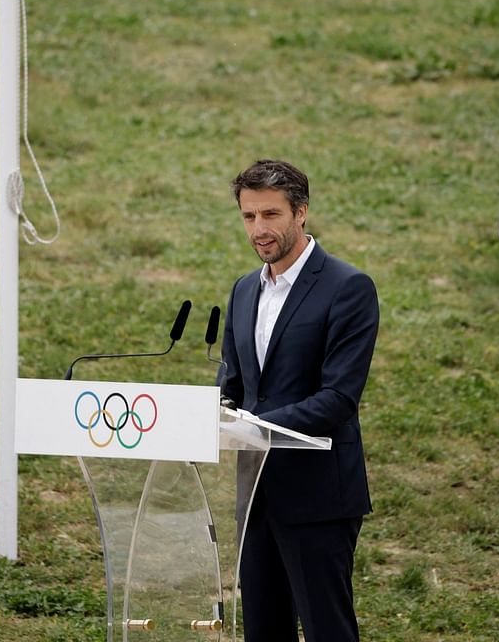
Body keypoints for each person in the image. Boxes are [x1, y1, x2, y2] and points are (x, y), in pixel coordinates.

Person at [218, 159, 379, 642]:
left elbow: (338, 399)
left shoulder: (348, 288)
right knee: (264, 632)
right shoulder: (245, 290)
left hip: (318, 497)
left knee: (328, 630)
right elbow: (234, 383)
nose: (258, 230)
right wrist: (212, 413)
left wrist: (250, 424)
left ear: (301, 212)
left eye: (270, 215)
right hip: (256, 496)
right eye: (249, 217)